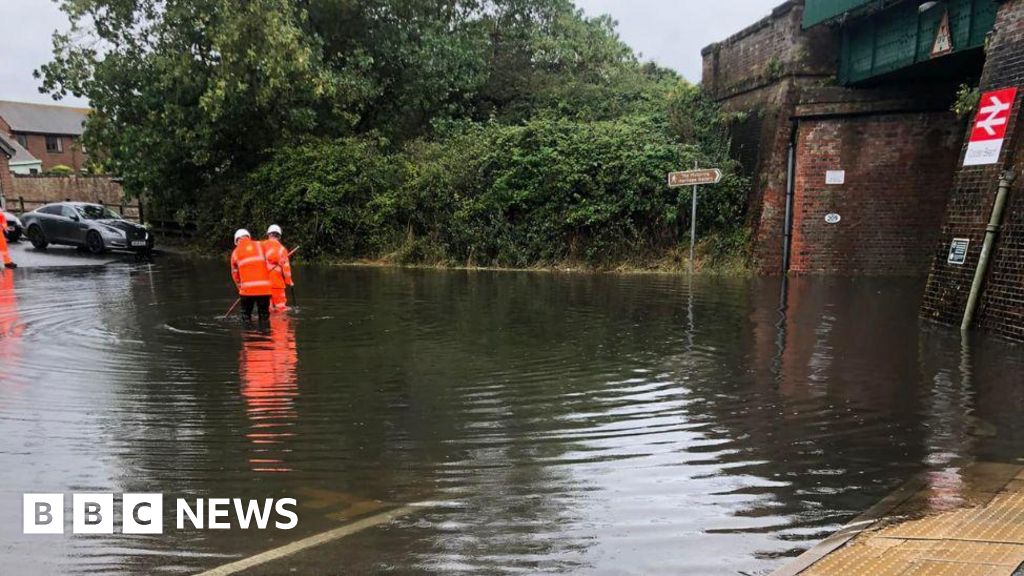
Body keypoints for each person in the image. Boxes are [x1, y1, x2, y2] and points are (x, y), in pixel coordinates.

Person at [230, 229, 273, 324]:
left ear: (236, 240)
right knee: (264, 317)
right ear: (249, 237)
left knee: (246, 317)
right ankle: (266, 335)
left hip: (247, 292)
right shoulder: (260, 245)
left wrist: (240, 289)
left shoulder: (235, 253)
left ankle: (249, 335)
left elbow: (235, 276)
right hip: (264, 290)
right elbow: (273, 253)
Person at [262, 224, 294, 312]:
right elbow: (286, 269)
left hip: (262, 283)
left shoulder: (260, 246)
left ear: (268, 234)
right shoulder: (282, 249)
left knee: (267, 309)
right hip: (277, 283)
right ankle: (279, 325)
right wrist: (289, 281)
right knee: (280, 308)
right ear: (279, 236)